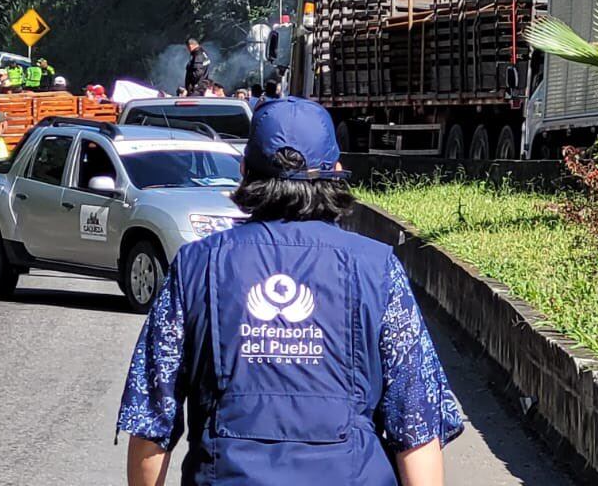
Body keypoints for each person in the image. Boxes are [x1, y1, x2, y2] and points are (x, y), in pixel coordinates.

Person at [117, 97, 463, 486]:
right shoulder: (378, 269)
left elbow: (151, 417)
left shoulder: (196, 266)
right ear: (335, 173)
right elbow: (415, 422)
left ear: (244, 171)